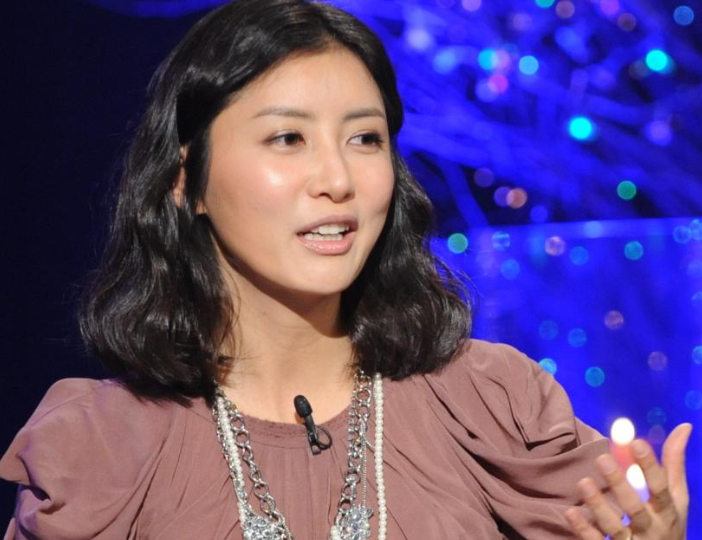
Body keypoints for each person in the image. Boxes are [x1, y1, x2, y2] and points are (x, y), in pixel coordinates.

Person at [0, 0, 692, 538]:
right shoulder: (102, 448)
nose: (337, 179)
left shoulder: (492, 406)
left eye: (364, 138)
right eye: (287, 138)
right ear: (188, 181)